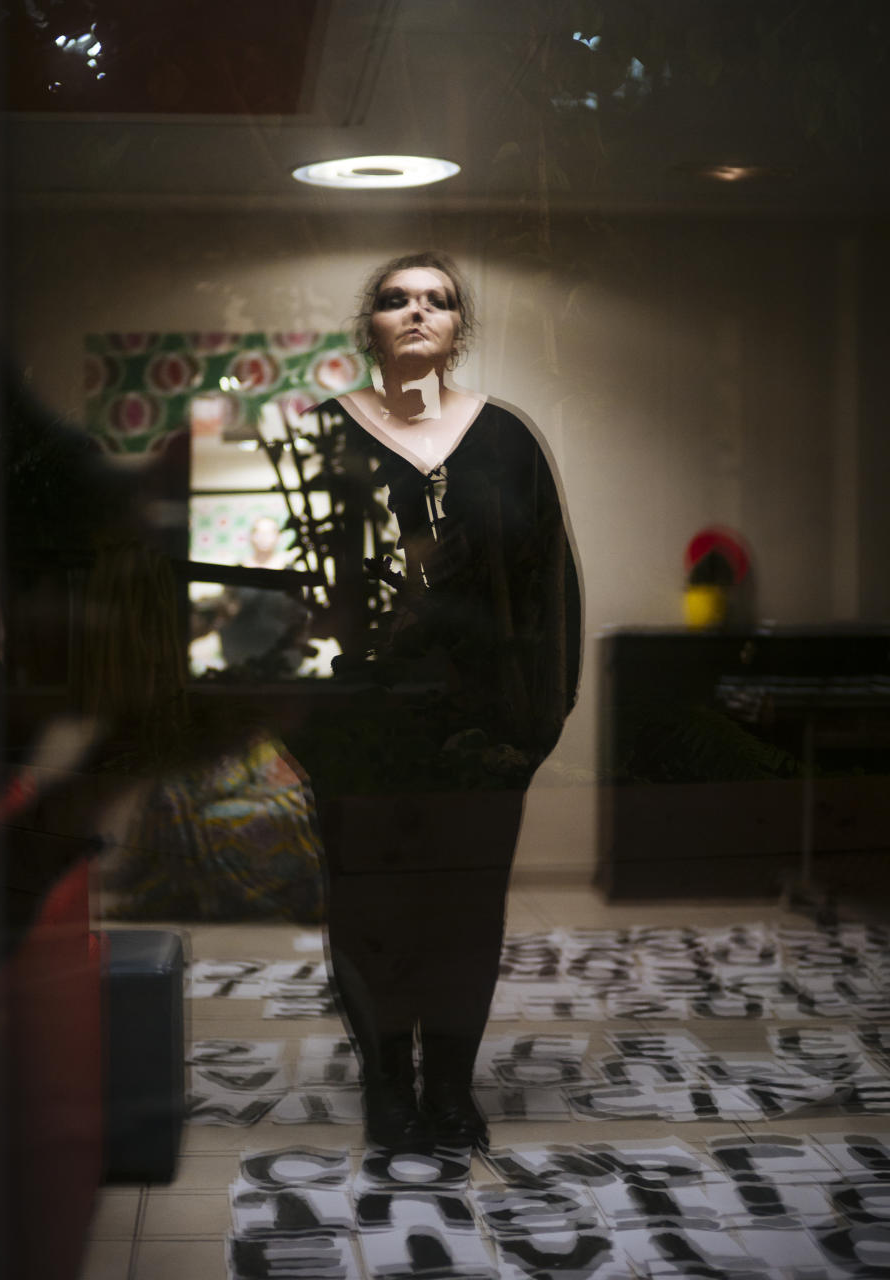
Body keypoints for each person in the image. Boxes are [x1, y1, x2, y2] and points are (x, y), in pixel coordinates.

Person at [294, 252, 582, 1150]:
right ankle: (387, 1085)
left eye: (439, 300)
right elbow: (265, 597)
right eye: (395, 300)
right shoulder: (316, 434)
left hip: (483, 736)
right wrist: (296, 725)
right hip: (358, 731)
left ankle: (452, 1088)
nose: (418, 312)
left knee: (465, 910)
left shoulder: (508, 440)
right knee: (371, 909)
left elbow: (550, 595)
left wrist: (534, 727)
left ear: (460, 329)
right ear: (368, 327)